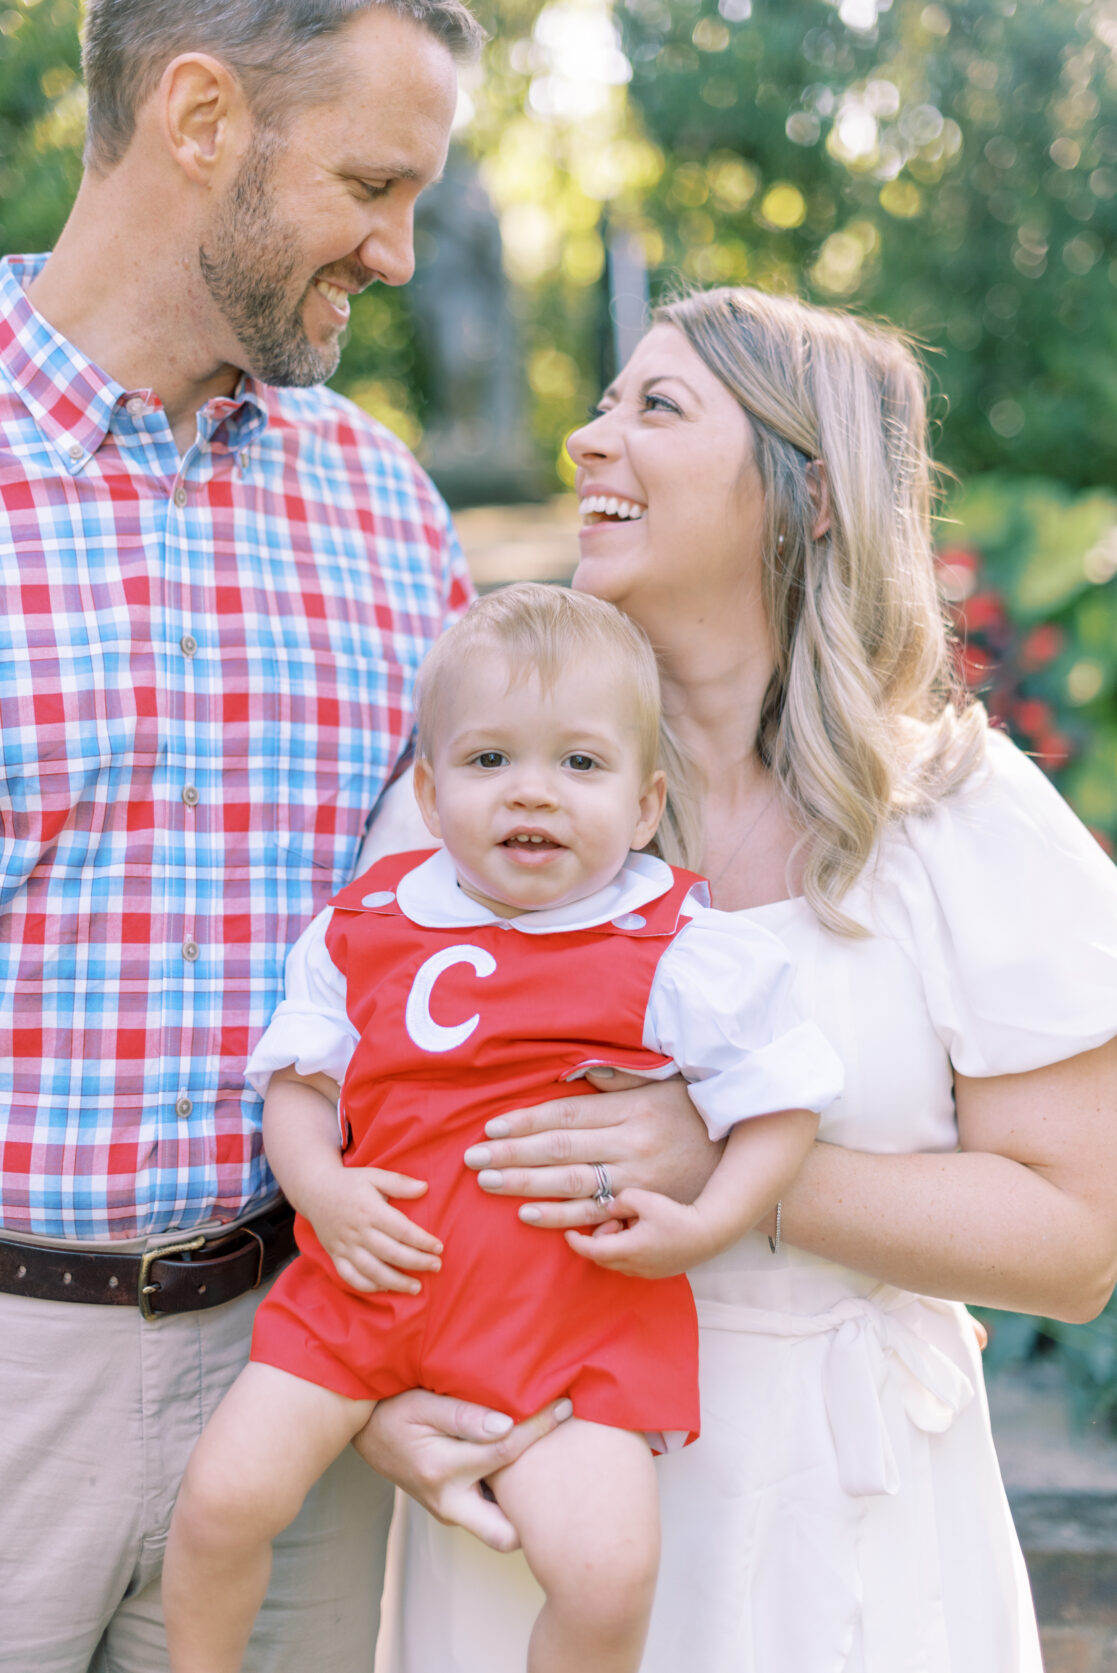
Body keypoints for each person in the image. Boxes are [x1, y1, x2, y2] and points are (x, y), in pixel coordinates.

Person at [364, 290, 1117, 1673]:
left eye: (654, 408)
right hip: (529, 1497)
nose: (591, 440)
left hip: (842, 1523)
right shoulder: (476, 805)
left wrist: (731, 1173)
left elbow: (1075, 1243)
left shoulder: (952, 809)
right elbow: (361, 1138)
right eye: (603, 402)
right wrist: (367, 1404)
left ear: (808, 495)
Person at [0, 3, 572, 1670]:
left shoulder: (385, 503)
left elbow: (457, 951)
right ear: (199, 120)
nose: (398, 252)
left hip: (299, 1377)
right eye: (370, 182)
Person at [162, 582, 844, 1673]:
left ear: (644, 802)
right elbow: (298, 1080)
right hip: (367, 1290)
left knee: (608, 1571)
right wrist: (321, 1190)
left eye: (580, 763)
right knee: (220, 1499)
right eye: (490, 762)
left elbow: (780, 1102)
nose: (533, 792)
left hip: (566, 1315)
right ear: (430, 794)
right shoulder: (368, 920)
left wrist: (708, 1220)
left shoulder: (674, 941)